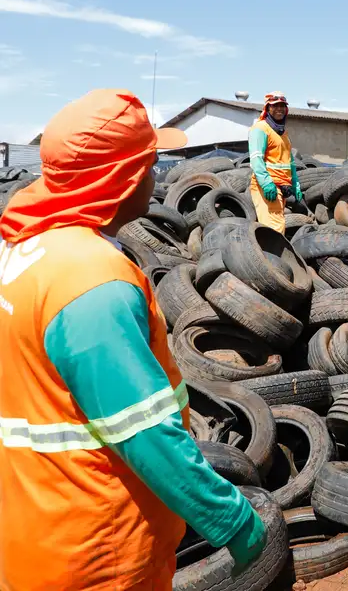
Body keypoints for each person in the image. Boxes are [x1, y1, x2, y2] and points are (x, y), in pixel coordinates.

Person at [0, 89, 267, 589]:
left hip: (34, 529)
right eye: (148, 163)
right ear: (120, 179)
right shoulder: (91, 281)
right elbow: (141, 430)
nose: (154, 174)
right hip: (101, 548)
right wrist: (231, 519)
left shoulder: (25, 251)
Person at [249, 91, 302, 232]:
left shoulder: (283, 133)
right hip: (268, 187)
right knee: (275, 229)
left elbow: (289, 162)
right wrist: (266, 183)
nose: (280, 108)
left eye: (282, 105)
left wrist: (295, 184)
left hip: (282, 187)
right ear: (267, 108)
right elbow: (256, 158)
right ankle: (270, 254)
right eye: (275, 105)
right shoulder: (260, 129)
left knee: (275, 227)